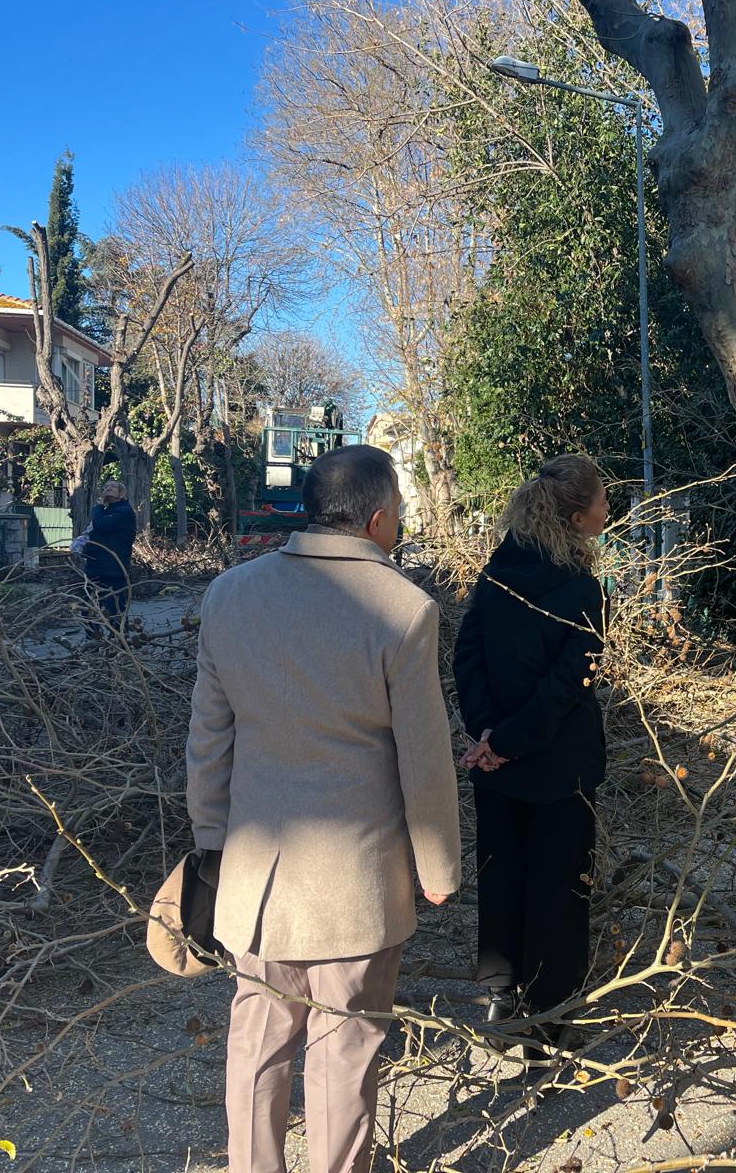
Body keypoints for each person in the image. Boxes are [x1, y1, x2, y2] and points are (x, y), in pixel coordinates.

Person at [186, 445, 461, 1173]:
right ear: (376, 518)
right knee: (345, 1055)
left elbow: (208, 738)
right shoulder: (403, 608)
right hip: (358, 884)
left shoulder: (230, 595)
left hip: (255, 878)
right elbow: (424, 757)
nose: (398, 525)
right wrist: (438, 867)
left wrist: (211, 840)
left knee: (256, 1048)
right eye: (398, 512)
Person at [452, 454, 609, 1056]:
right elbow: (570, 686)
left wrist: (488, 735)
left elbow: (467, 658)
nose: (606, 510)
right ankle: (550, 1013)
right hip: (559, 765)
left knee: (502, 875)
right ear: (576, 517)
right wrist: (510, 740)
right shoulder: (584, 591)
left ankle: (500, 995)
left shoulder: (495, 575)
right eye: (600, 502)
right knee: (560, 886)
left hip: (495, 764)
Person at [85, 480, 136, 636]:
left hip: (113, 568)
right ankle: (93, 641)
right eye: (106, 487)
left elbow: (101, 525)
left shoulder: (124, 511)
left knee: (114, 608)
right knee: (89, 607)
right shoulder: (105, 511)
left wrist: (98, 506)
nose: (107, 488)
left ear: (121, 494)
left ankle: (120, 641)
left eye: (112, 487)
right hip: (95, 566)